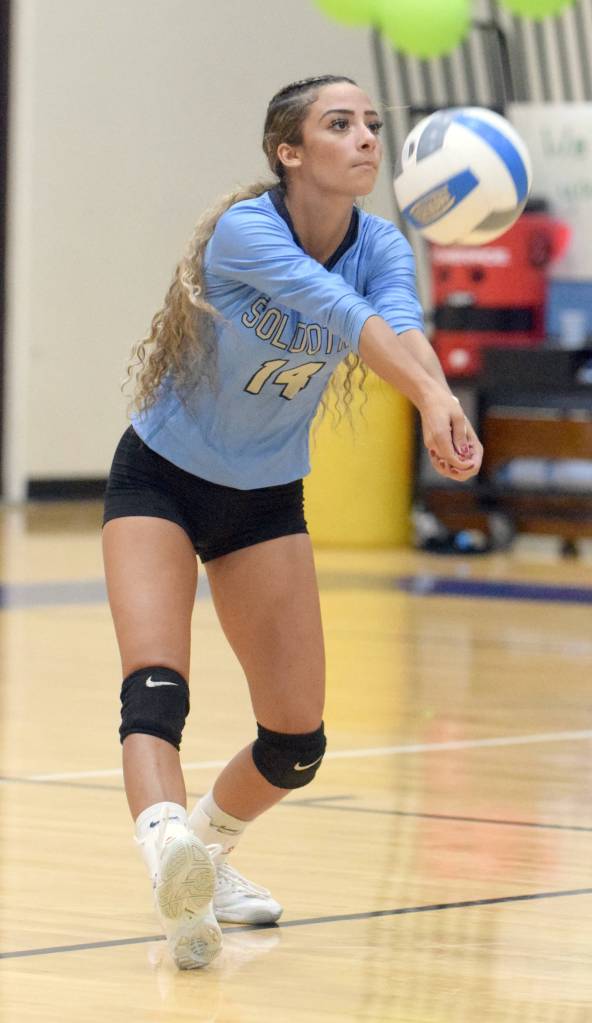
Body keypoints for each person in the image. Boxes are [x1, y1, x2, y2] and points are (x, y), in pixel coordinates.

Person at [102, 74, 483, 971]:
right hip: (160, 477)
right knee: (155, 689)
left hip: (264, 499)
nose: (365, 140)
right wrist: (429, 397)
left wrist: (439, 394)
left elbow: (395, 321)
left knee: (296, 741)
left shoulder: (384, 243)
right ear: (288, 151)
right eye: (339, 124)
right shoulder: (247, 233)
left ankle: (206, 853)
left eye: (372, 126)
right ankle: (166, 857)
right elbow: (344, 319)